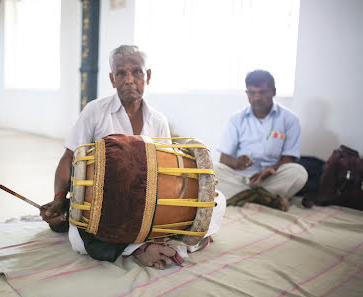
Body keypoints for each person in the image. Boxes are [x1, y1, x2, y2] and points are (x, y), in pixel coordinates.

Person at [40, 45, 226, 269]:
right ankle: (161, 246)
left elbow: (167, 175)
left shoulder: (158, 121)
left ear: (147, 76)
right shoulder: (94, 111)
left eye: (136, 72)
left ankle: (146, 245)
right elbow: (69, 157)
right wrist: (60, 198)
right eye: (121, 73)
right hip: (106, 206)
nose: (129, 79)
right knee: (77, 238)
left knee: (217, 200)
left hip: (149, 207)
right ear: (112, 79)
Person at [214, 70, 307, 211]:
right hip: (241, 178)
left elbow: (289, 159)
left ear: (273, 92)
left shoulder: (290, 119)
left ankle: (243, 196)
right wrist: (238, 163)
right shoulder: (236, 119)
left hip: (271, 178)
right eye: (251, 93)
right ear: (247, 94)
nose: (257, 97)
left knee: (299, 172)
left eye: (262, 92)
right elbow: (224, 159)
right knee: (210, 170)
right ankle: (266, 199)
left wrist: (271, 170)